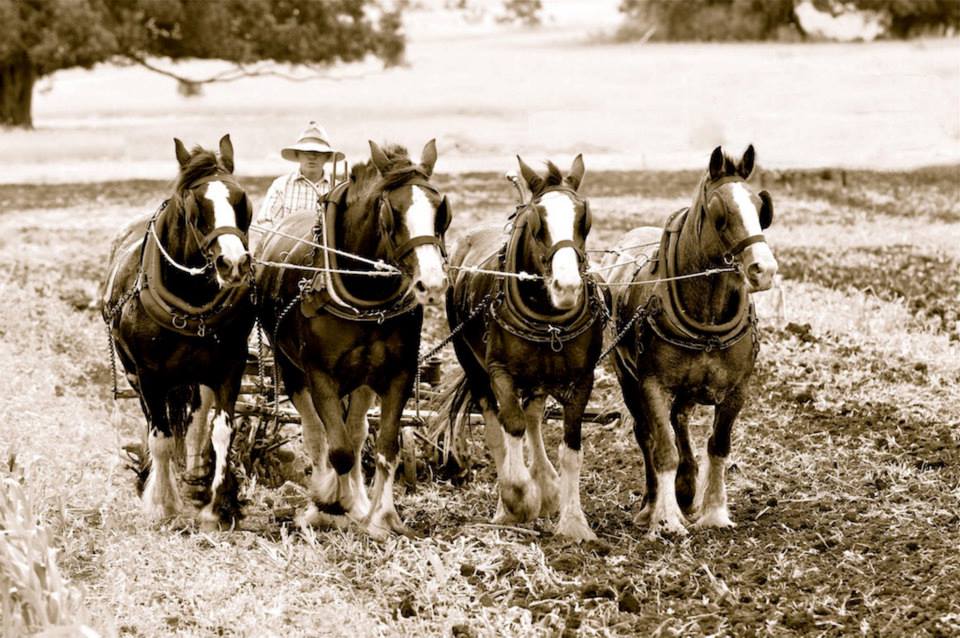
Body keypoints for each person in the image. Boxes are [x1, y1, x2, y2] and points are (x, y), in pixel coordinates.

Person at [255, 121, 345, 229]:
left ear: (327, 156)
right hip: (286, 245)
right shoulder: (281, 186)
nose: (312, 157)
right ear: (297, 155)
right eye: (306, 152)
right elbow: (265, 222)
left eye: (318, 152)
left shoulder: (338, 190)